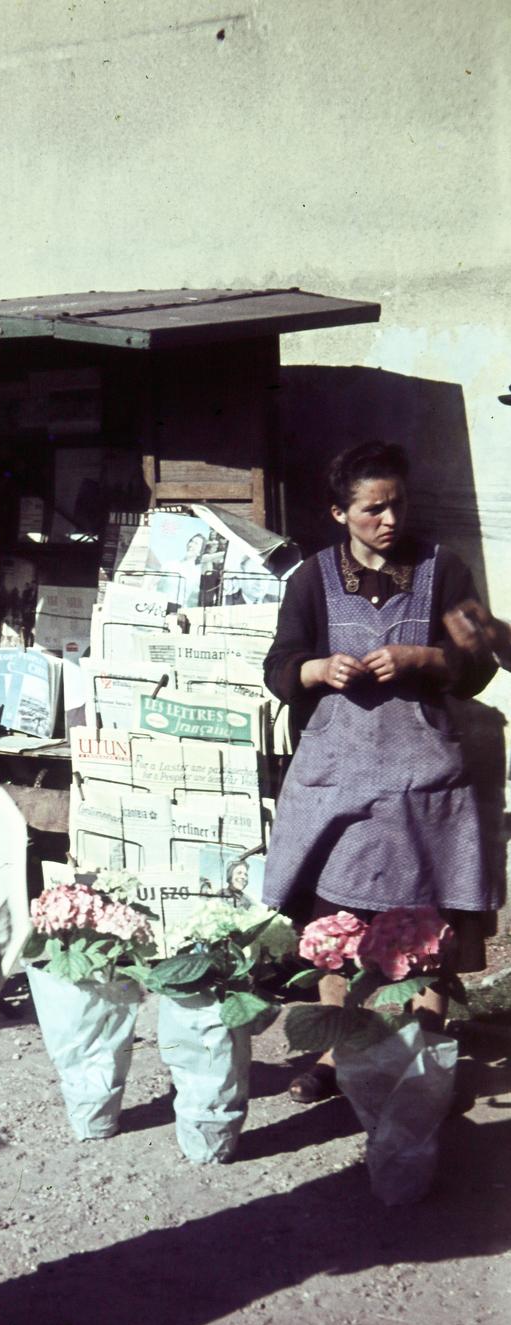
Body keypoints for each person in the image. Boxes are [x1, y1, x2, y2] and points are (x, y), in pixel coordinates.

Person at [262, 441, 497, 1102]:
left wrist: (423, 657)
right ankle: (340, 1056)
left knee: (427, 926)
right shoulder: (309, 579)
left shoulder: (442, 569)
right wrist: (315, 670)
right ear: (339, 512)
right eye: (371, 509)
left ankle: (426, 1058)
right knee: (336, 924)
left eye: (396, 504)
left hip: (421, 781)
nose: (388, 519)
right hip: (338, 779)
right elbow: (278, 663)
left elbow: (477, 664)